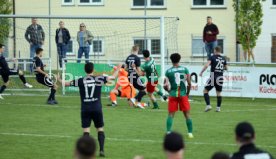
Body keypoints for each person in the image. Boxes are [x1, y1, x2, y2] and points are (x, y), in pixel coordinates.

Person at [58, 62, 121, 157]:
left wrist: (59, 79)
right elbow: (113, 77)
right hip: (97, 108)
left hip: (85, 109)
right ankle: (102, 150)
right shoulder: (99, 79)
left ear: (85, 70)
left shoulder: (80, 80)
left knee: (86, 131)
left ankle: (85, 152)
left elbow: (65, 84)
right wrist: (118, 68)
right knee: (100, 129)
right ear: (93, 69)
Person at [164, 53, 193, 138]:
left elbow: (165, 85)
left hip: (173, 95)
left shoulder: (168, 71)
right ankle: (190, 133)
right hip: (183, 95)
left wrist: (169, 91)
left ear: (171, 60)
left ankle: (168, 132)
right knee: (187, 114)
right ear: (179, 59)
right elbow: (189, 83)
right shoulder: (185, 69)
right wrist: (187, 93)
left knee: (170, 115)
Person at [199, 46, 228, 112]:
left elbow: (206, 65)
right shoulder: (223, 58)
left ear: (215, 50)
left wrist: (201, 72)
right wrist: (220, 69)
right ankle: (218, 108)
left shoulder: (212, 57)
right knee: (219, 93)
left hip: (213, 76)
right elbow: (226, 68)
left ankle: (208, 105)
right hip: (220, 77)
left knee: (205, 91)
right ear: (220, 51)